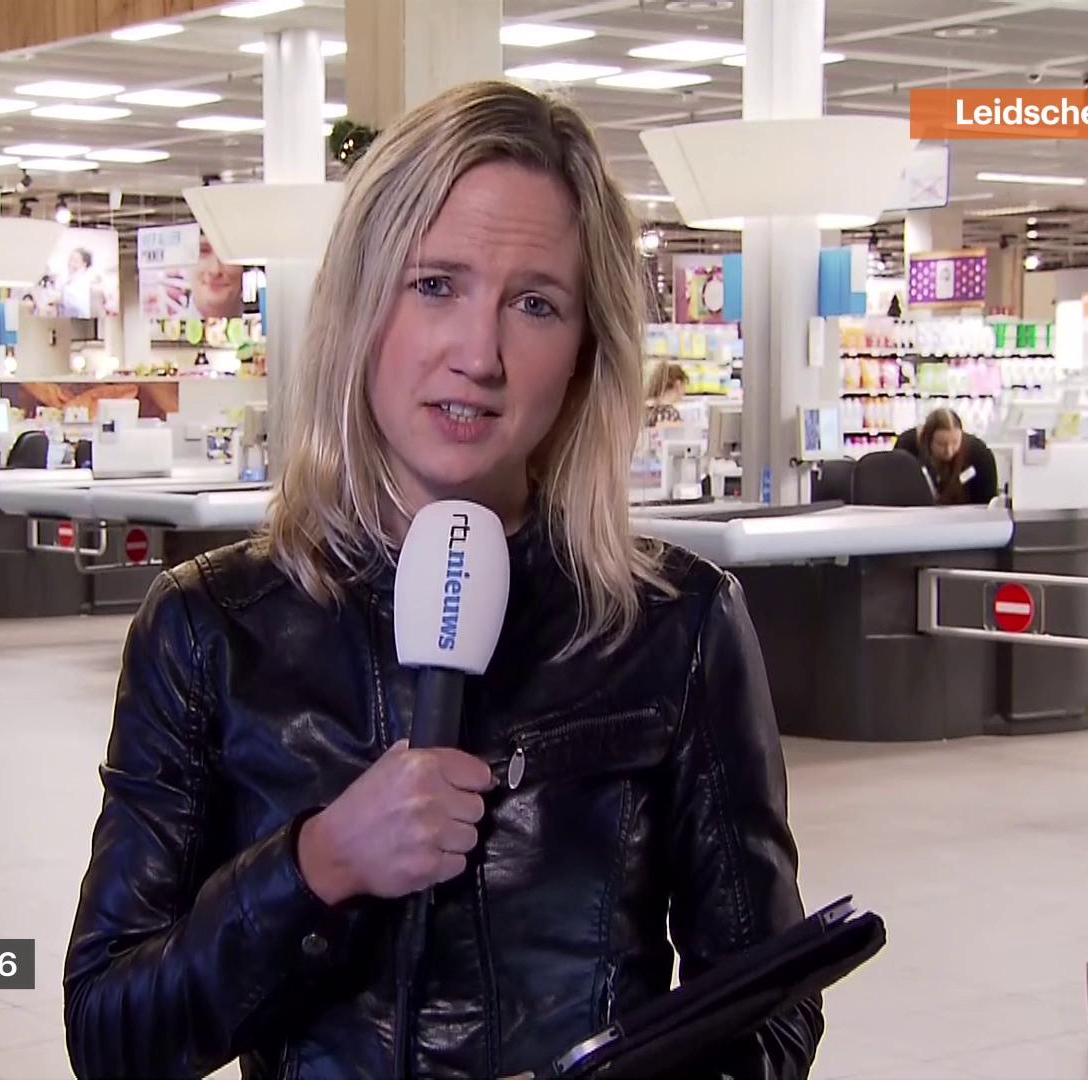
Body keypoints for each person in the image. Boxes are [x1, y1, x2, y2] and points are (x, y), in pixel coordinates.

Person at [64, 80, 823, 1080]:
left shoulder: (676, 624)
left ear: (586, 351)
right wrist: (317, 865)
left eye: (535, 304)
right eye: (435, 285)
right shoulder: (209, 629)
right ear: (359, 307)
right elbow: (112, 1034)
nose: (479, 354)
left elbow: (768, 1012)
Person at [895, 407, 999, 505]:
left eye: (955, 443)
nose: (949, 451)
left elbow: (989, 503)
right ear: (927, 440)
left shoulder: (979, 455)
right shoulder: (907, 449)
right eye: (941, 444)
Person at [644, 361, 688, 426]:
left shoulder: (645, 409)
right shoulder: (671, 414)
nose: (685, 390)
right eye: (685, 384)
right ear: (678, 384)